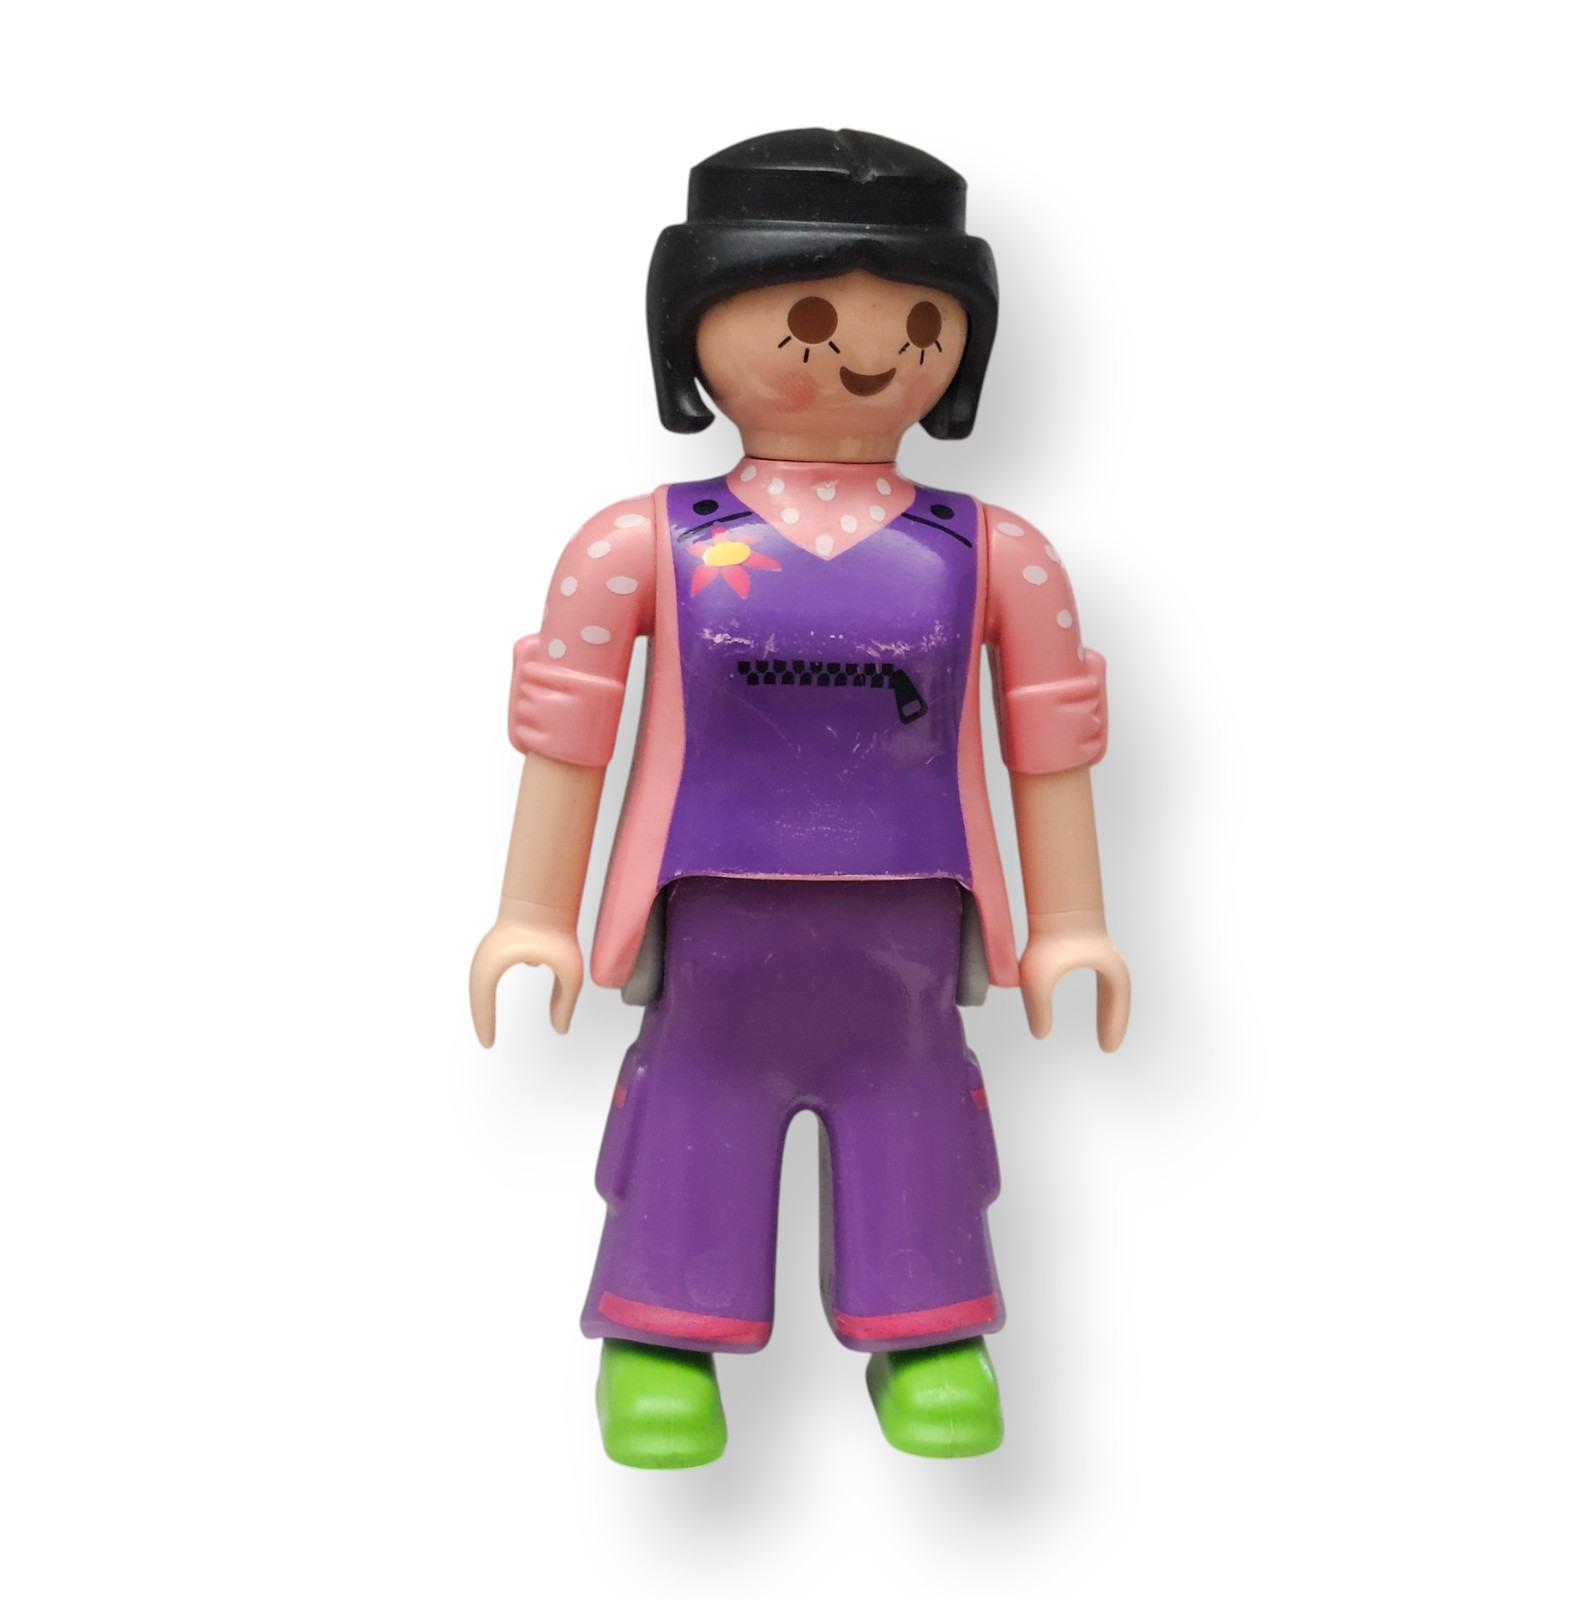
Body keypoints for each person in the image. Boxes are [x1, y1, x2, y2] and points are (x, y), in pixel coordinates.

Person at [469, 128, 1130, 1467]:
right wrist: (531, 912)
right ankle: (663, 1337)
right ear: (696, 323)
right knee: (695, 1103)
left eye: (923, 319)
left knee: (915, 1107)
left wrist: (1072, 924)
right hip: (710, 916)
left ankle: (925, 1328)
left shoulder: (996, 552)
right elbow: (570, 729)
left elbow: (1049, 739)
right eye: (812, 315)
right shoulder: (640, 544)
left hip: (911, 925)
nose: (870, 352)